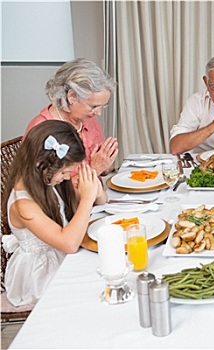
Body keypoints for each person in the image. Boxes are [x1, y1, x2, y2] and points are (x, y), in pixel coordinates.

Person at [2, 120, 107, 307]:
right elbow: (69, 244)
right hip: (38, 276)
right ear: (41, 164)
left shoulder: (48, 181)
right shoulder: (23, 204)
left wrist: (96, 192)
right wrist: (86, 199)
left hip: (59, 257)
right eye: (65, 172)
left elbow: (100, 202)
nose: (68, 177)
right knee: (96, 288)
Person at [24, 58, 118, 176]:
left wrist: (105, 163)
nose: (98, 113)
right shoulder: (42, 130)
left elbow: (102, 169)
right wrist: (94, 169)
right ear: (72, 96)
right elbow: (48, 190)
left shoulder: (89, 120)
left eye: (102, 107)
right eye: (93, 106)